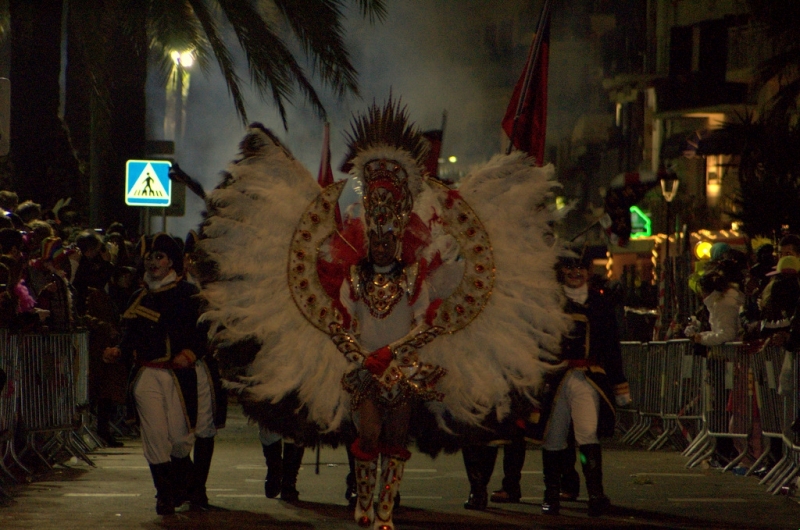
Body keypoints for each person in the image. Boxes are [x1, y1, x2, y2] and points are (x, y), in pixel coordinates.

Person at [103, 233, 215, 515]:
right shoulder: (138, 297)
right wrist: (118, 350)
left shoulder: (189, 294)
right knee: (154, 436)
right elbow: (130, 335)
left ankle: (184, 485)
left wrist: (190, 352)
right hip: (147, 376)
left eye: (160, 257)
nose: (153, 262)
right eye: (150, 257)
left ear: (172, 262)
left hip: (179, 378)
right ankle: (163, 495)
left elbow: (204, 333)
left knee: (179, 439)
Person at [528, 252, 630, 517]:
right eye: (569, 268)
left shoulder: (599, 303)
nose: (575, 273)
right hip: (555, 380)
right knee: (554, 436)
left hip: (587, 379)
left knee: (587, 434)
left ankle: (595, 493)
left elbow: (611, 346)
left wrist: (619, 383)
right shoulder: (549, 302)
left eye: (581, 268)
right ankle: (551, 494)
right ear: (561, 271)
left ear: (589, 272)